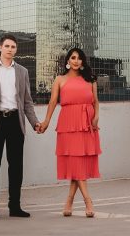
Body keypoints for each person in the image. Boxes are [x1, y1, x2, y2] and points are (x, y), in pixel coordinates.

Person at [0, 34, 43, 219]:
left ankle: (15, 206)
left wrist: (34, 122)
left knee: (16, 166)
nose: (10, 49)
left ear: (16, 49)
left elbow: (27, 101)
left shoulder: (22, 71)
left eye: (13, 46)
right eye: (7, 46)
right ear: (0, 47)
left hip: (15, 121)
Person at [38, 47, 102, 217]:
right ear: (68, 61)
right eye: (73, 58)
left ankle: (69, 201)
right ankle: (88, 201)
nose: (76, 61)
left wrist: (96, 118)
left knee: (78, 164)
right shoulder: (59, 79)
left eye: (79, 58)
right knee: (75, 162)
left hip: (86, 124)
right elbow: (52, 102)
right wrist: (46, 121)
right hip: (67, 124)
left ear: (82, 62)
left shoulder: (91, 79)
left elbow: (96, 101)